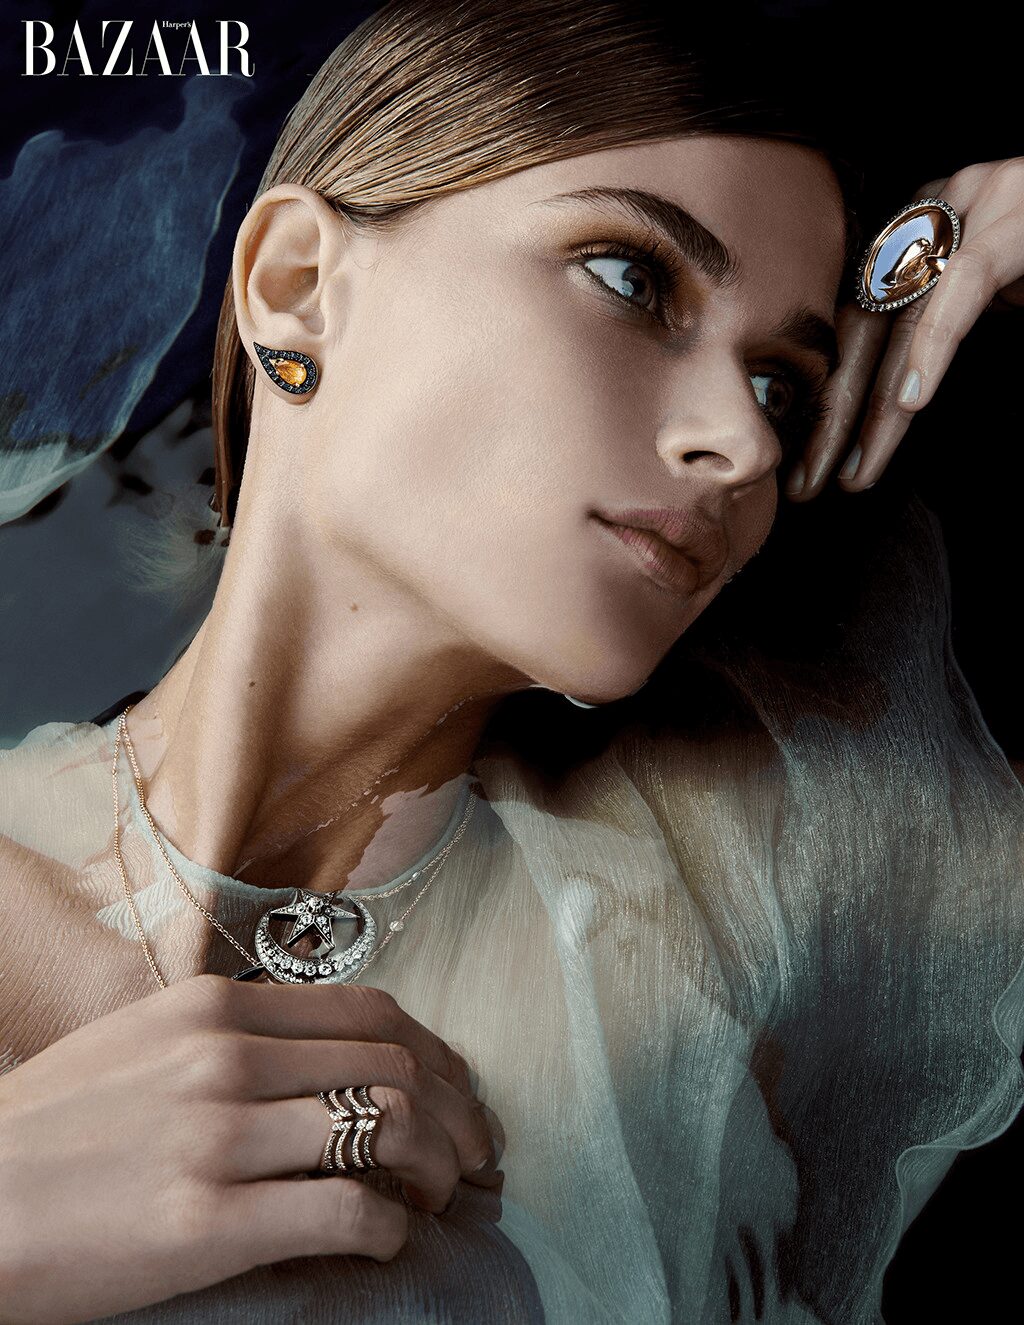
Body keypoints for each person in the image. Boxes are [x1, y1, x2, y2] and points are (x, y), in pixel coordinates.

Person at [1, 2, 1022, 1321]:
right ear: (298, 285)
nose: (744, 443)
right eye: (633, 278)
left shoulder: (739, 941)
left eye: (782, 386)